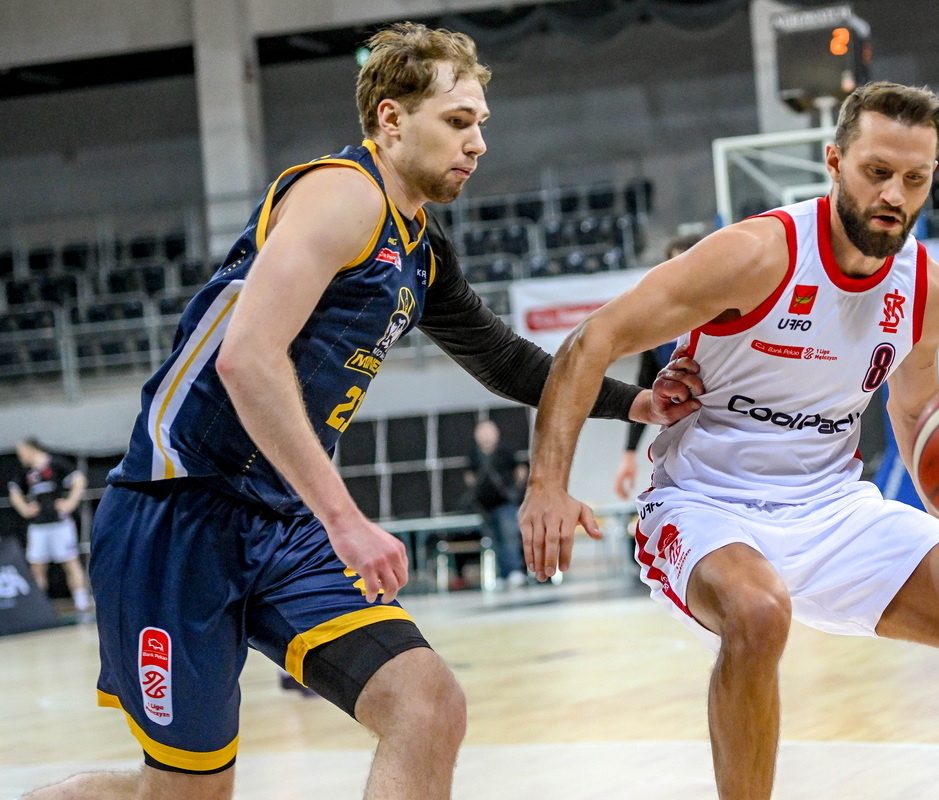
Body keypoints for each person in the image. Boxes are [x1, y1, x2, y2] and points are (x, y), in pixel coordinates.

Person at [22, 22, 699, 800]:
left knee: (427, 704)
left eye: (481, 123)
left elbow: (503, 358)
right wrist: (345, 521)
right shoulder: (342, 195)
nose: (477, 142)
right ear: (390, 118)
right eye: (457, 120)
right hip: (180, 514)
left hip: (281, 523)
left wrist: (635, 400)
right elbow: (246, 360)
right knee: (183, 795)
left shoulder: (420, 246)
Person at [519, 82, 939, 799]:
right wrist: (547, 484)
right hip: (706, 502)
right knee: (758, 614)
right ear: (834, 162)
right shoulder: (756, 254)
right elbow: (592, 340)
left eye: (914, 178)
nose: (893, 194)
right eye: (876, 171)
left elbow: (918, 423)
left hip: (831, 507)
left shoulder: (927, 290)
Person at [613, 233, 703, 501]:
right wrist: (629, 453)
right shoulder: (658, 324)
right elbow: (645, 385)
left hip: (729, 427)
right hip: (684, 434)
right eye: (674, 265)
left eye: (689, 264)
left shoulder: (729, 310)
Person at [7, 438, 91, 615]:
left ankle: (81, 602)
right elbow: (14, 490)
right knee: (37, 567)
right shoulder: (25, 470)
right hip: (38, 526)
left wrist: (70, 502)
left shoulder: (56, 463)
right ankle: (40, 606)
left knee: (70, 561)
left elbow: (79, 480)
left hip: (60, 524)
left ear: (31, 449)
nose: (20, 456)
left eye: (22, 452)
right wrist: (24, 508)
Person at [465, 418, 528, 587]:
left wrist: (515, 488)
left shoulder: (505, 451)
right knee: (494, 539)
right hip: (485, 505)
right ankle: (503, 573)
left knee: (509, 537)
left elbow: (520, 470)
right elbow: (469, 475)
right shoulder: (474, 454)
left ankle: (514, 570)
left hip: (505, 502)